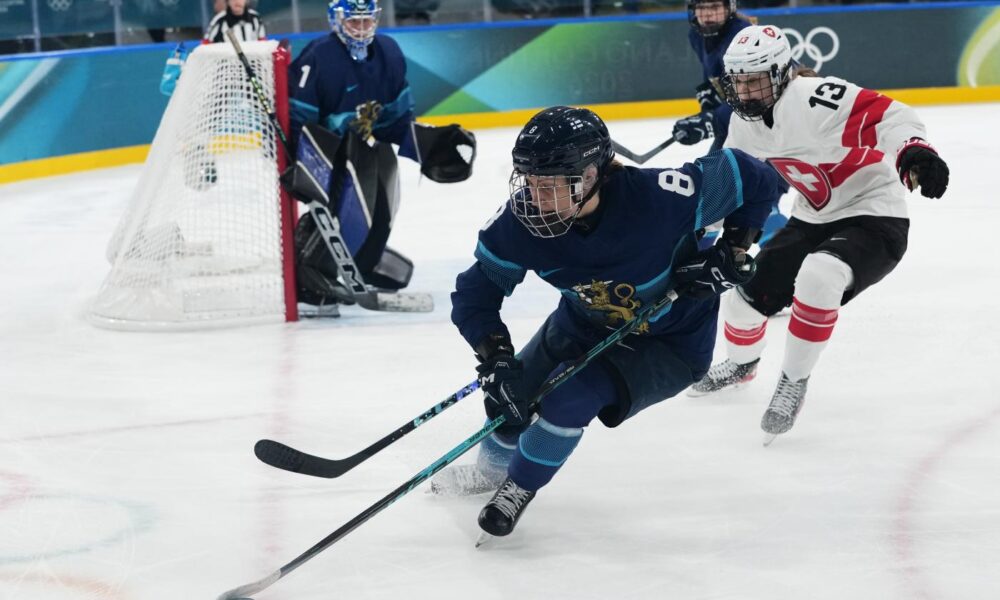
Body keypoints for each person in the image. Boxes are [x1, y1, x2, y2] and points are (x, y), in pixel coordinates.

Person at [434, 106, 786, 540]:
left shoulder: (659, 199)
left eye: (550, 185)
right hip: (582, 324)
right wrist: (496, 357)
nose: (536, 198)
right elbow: (475, 295)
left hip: (669, 344)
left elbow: (755, 176)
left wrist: (733, 249)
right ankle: (490, 472)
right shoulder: (520, 223)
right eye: (529, 182)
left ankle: (518, 486)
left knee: (569, 399)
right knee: (510, 397)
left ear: (590, 175)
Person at [689, 25, 950, 443]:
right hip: (811, 218)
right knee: (742, 299)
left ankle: (793, 381)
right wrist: (702, 234)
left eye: (755, 81)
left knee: (819, 275)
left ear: (780, 73)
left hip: (873, 216)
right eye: (738, 82)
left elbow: (892, 116)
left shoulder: (815, 99)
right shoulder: (744, 122)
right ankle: (742, 364)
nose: (745, 92)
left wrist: (915, 150)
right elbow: (735, 185)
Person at [286, 0, 476, 312]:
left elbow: (393, 122)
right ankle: (313, 273)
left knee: (384, 166)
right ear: (336, 21)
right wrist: (302, 164)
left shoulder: (389, 53)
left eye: (366, 21)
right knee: (357, 178)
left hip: (356, 146)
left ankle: (364, 259)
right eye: (354, 22)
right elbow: (298, 118)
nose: (361, 29)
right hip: (321, 152)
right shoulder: (318, 56)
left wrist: (427, 145)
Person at [675, 0, 788, 249]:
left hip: (773, 125)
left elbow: (767, 94)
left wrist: (712, 119)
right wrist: (710, 99)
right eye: (702, 8)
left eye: (715, 6)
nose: (708, 14)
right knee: (709, 193)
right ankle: (694, 258)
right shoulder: (697, 35)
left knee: (764, 197)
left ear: (730, 8)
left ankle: (782, 262)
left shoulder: (741, 37)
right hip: (740, 119)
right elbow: (723, 81)